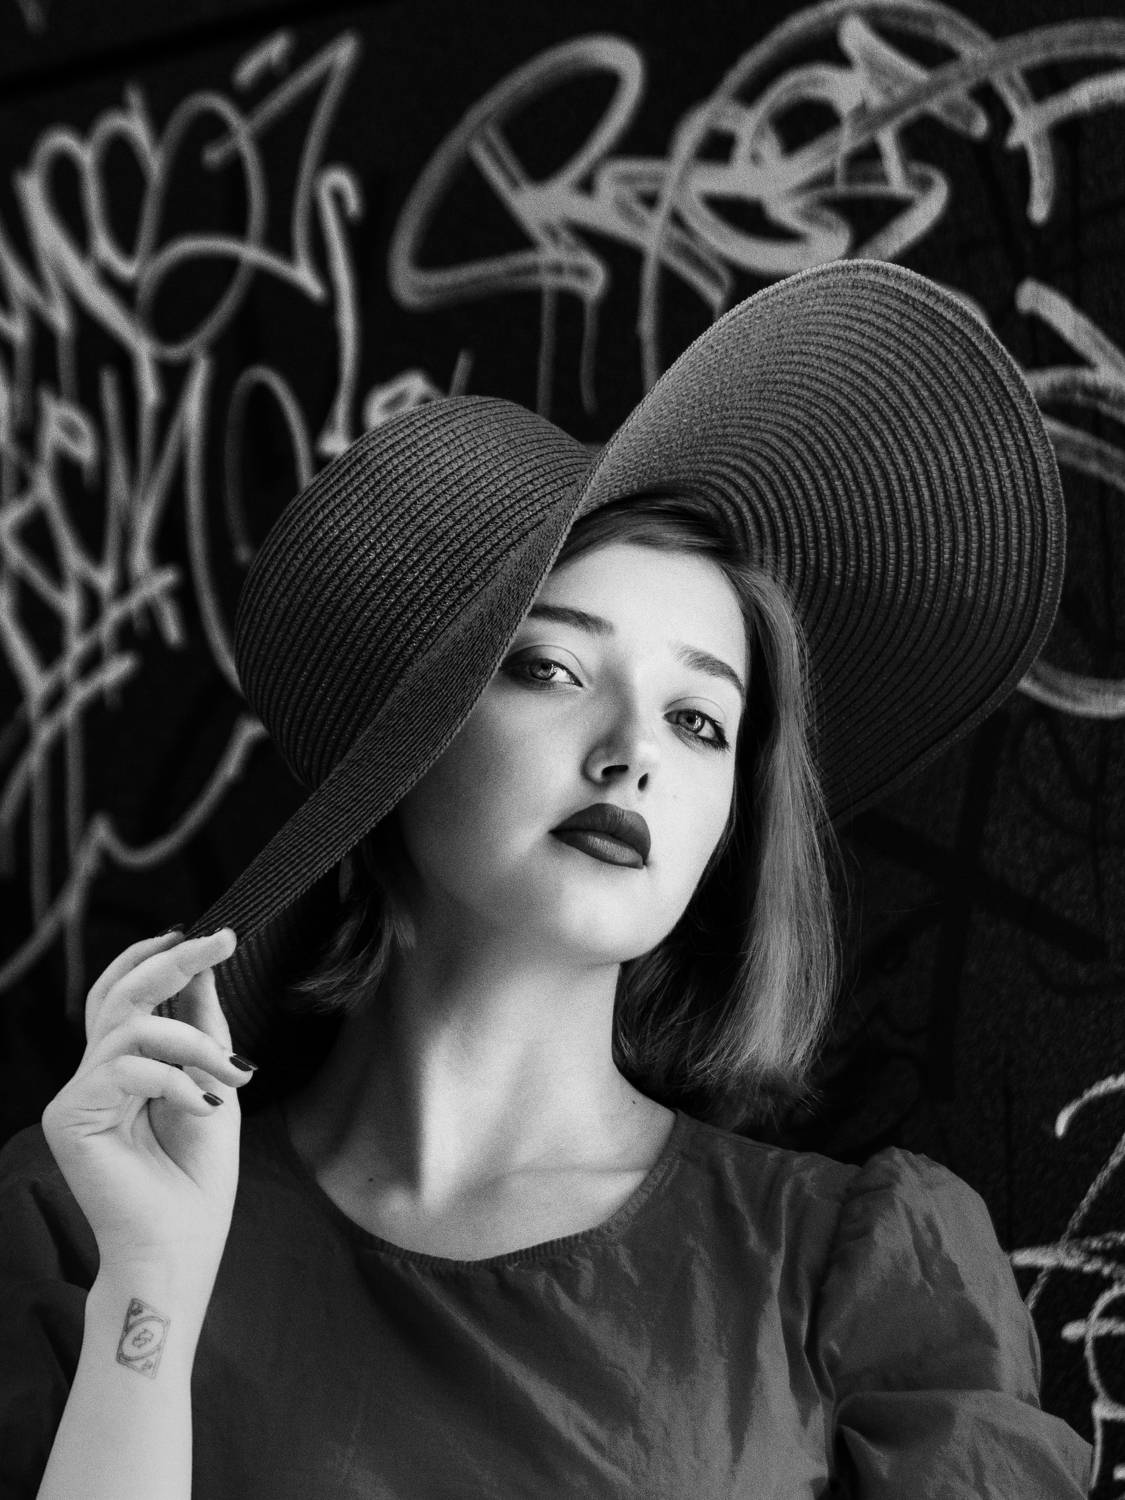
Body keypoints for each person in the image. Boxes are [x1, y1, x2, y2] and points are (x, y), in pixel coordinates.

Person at [0, 260, 1093, 1498]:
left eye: (698, 722)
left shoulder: (855, 1268)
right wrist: (149, 1288)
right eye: (553, 671)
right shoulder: (90, 1210)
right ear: (398, 753)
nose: (635, 753)